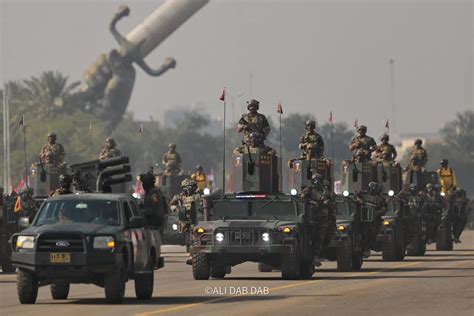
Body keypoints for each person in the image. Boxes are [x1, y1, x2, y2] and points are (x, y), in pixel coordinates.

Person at [301, 173, 335, 267]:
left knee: (325, 238)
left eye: (318, 179)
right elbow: (302, 200)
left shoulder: (326, 192)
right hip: (311, 219)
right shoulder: (308, 190)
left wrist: (328, 203)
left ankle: (318, 255)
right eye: (315, 179)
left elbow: (333, 205)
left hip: (323, 220)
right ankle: (313, 256)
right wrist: (313, 203)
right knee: (312, 238)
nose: (317, 181)